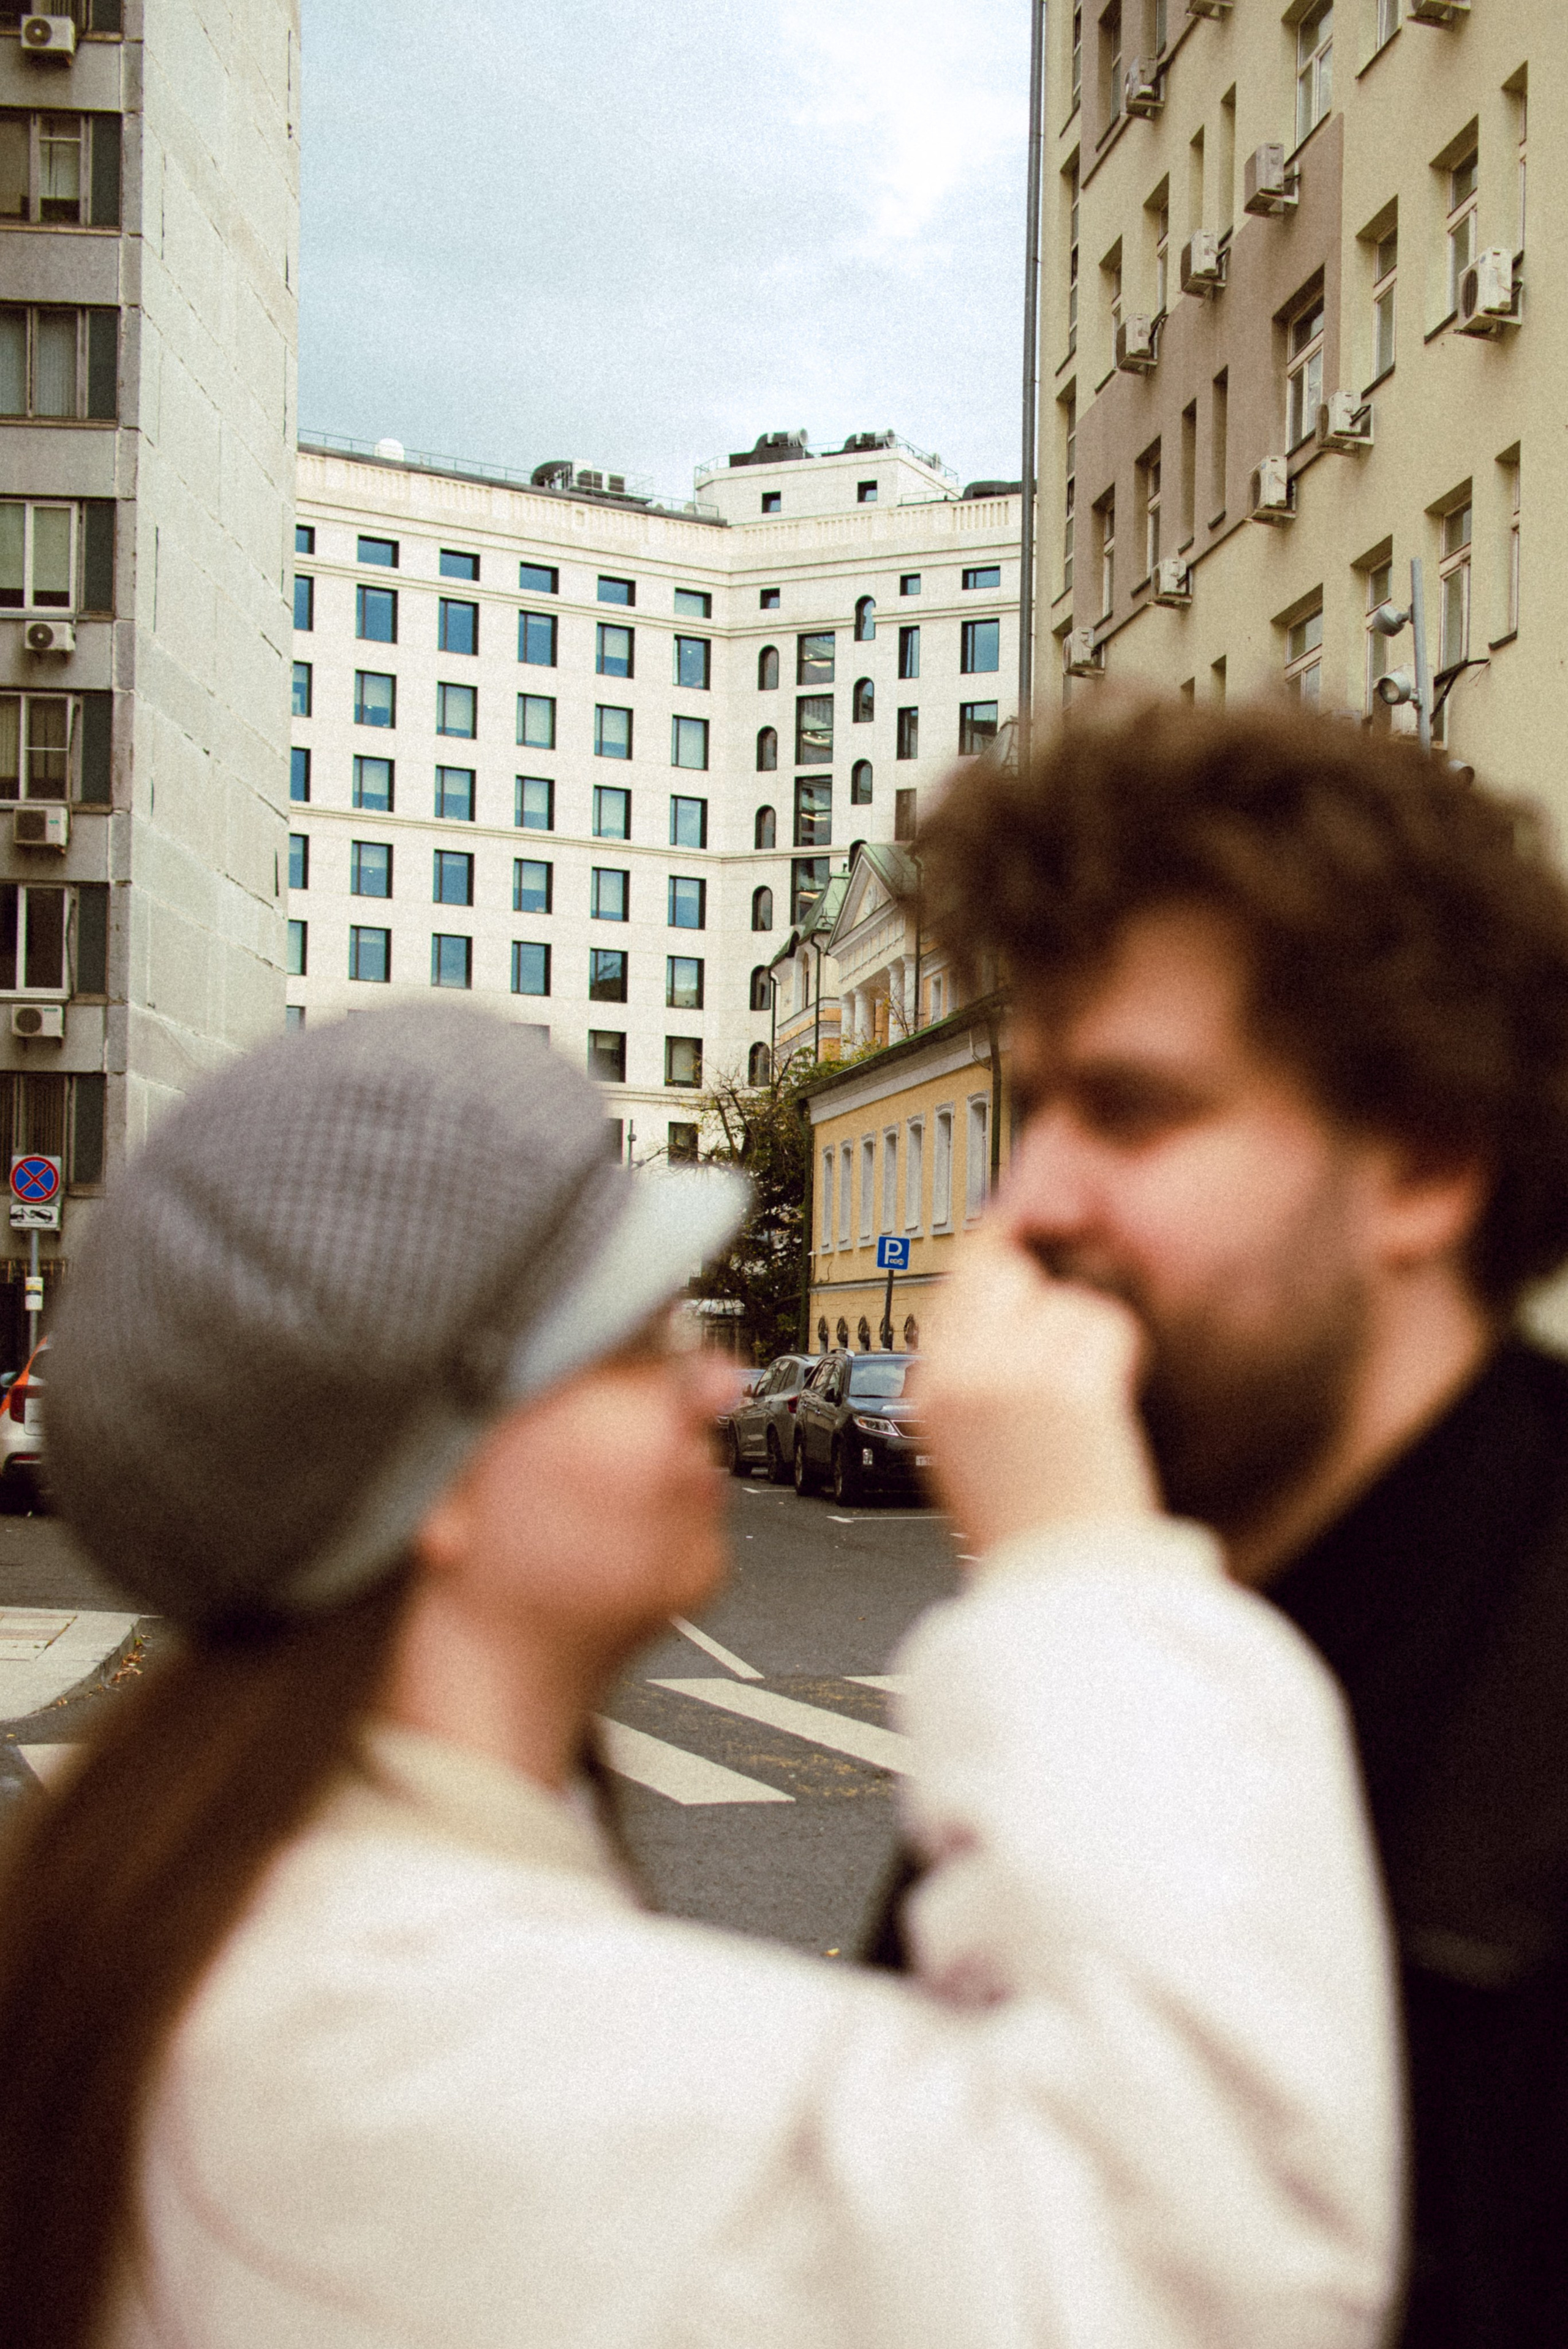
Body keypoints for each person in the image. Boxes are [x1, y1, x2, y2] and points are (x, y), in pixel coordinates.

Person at [0, 1005, 1398, 2349]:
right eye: (632, 1345)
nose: (719, 1389)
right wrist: (1082, 1559)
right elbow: (1219, 2275)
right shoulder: (462, 2051)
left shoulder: (246, 1922)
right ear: (436, 1481)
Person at [867, 696, 1568, 2349]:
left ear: (1423, 1166)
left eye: (1130, 1110)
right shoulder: (1112, 1582)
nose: (1026, 1205)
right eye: (1030, 1113)